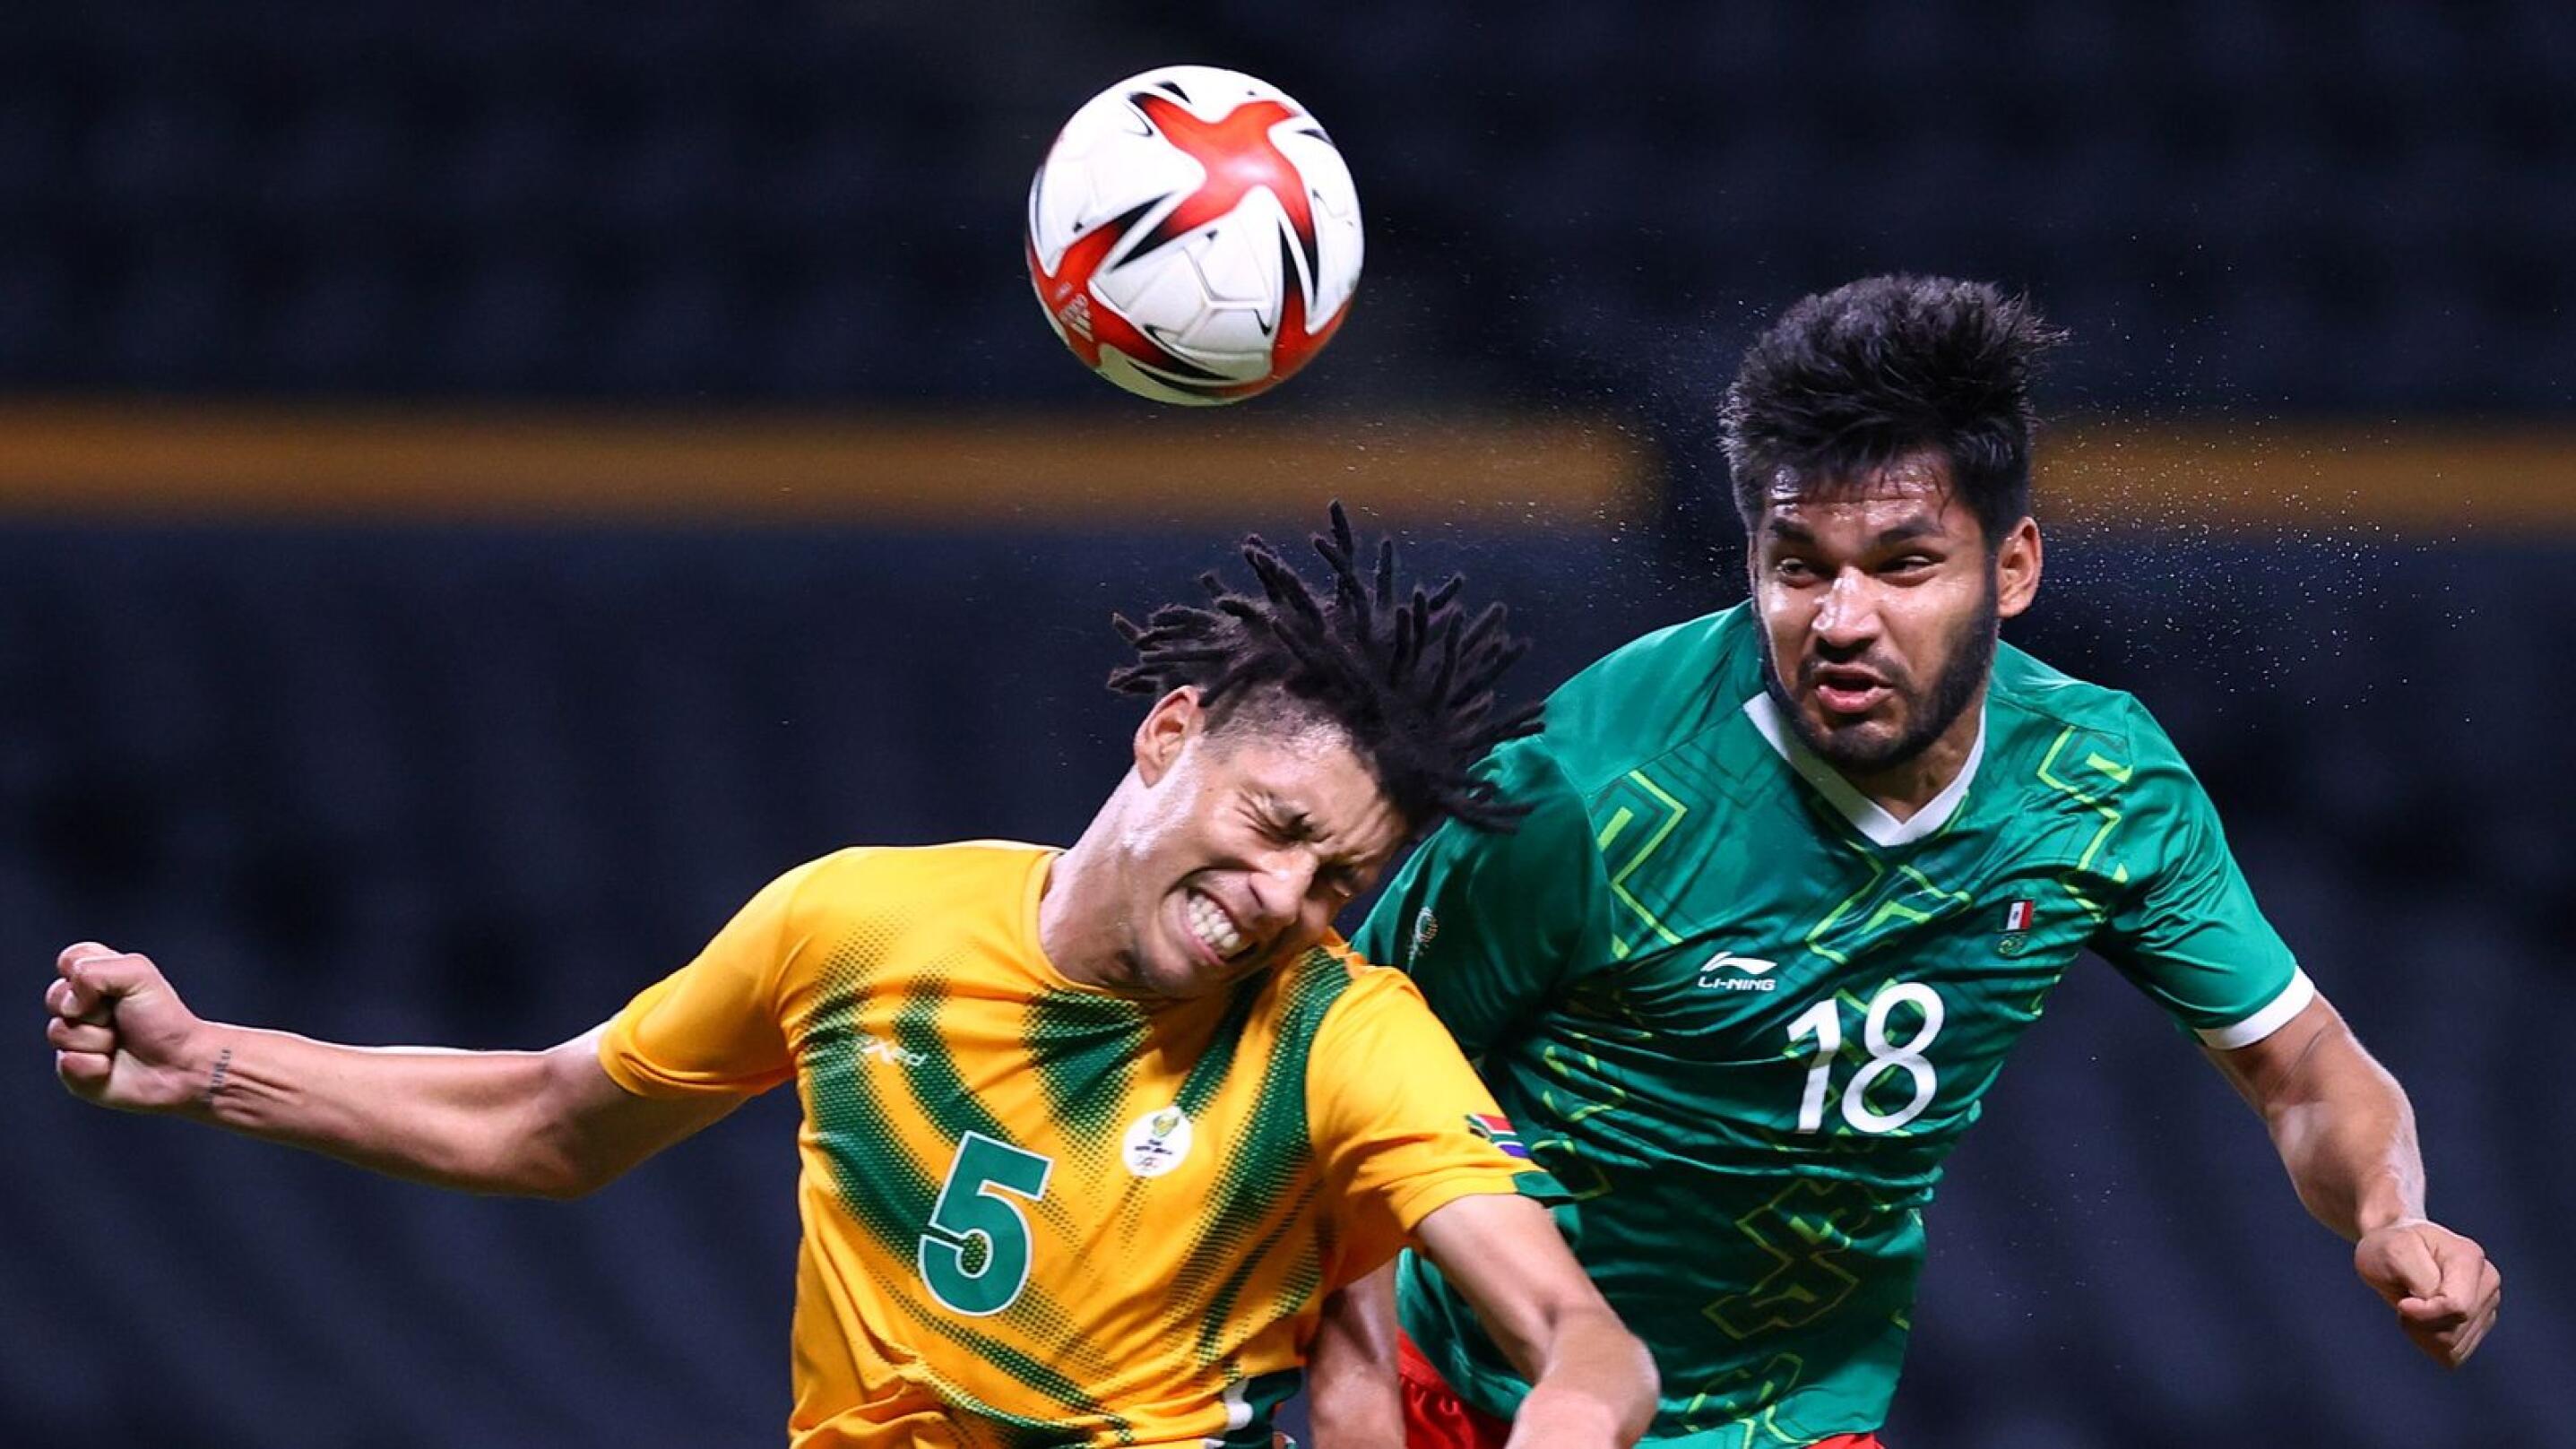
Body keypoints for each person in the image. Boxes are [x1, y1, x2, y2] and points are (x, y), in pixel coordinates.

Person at [43, 506, 1658, 1449]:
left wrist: (1573, 1409)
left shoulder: (1341, 1034)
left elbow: (1579, 1335)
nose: (1283, 900)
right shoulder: (857, 926)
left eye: (1338, 881)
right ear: (1170, 734)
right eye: (1275, 828)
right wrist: (209, 1068)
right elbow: (547, 1122)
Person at [1336, 278, 2503, 1446]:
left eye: (1901, 565)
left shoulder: (2100, 786)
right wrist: (1359, 1410)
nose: (1841, 617)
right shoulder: (1588, 793)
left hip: (1789, 1418)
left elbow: (2299, 1062)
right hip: (1486, 1399)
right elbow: (1348, 1078)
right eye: (1799, 566)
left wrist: (2387, 1211)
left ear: (2011, 568)